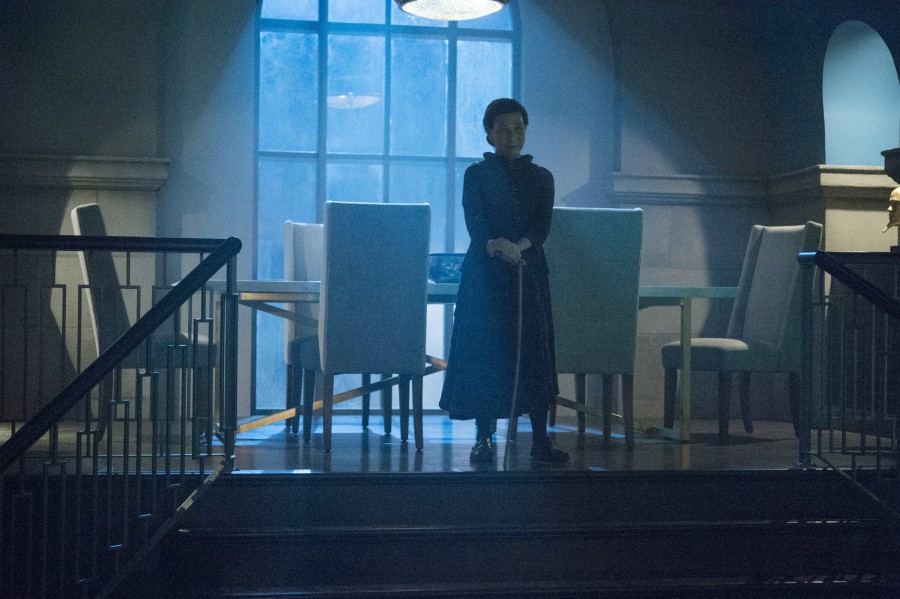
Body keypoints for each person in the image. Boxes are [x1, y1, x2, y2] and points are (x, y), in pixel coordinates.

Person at [439, 98, 568, 464]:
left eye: (518, 128)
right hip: (485, 276)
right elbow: (475, 220)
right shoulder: (476, 175)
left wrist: (518, 246)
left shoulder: (542, 178)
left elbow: (541, 226)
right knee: (485, 353)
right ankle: (484, 438)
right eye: (503, 130)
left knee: (533, 354)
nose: (512, 136)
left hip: (528, 273)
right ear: (490, 135)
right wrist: (495, 244)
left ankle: (541, 439)